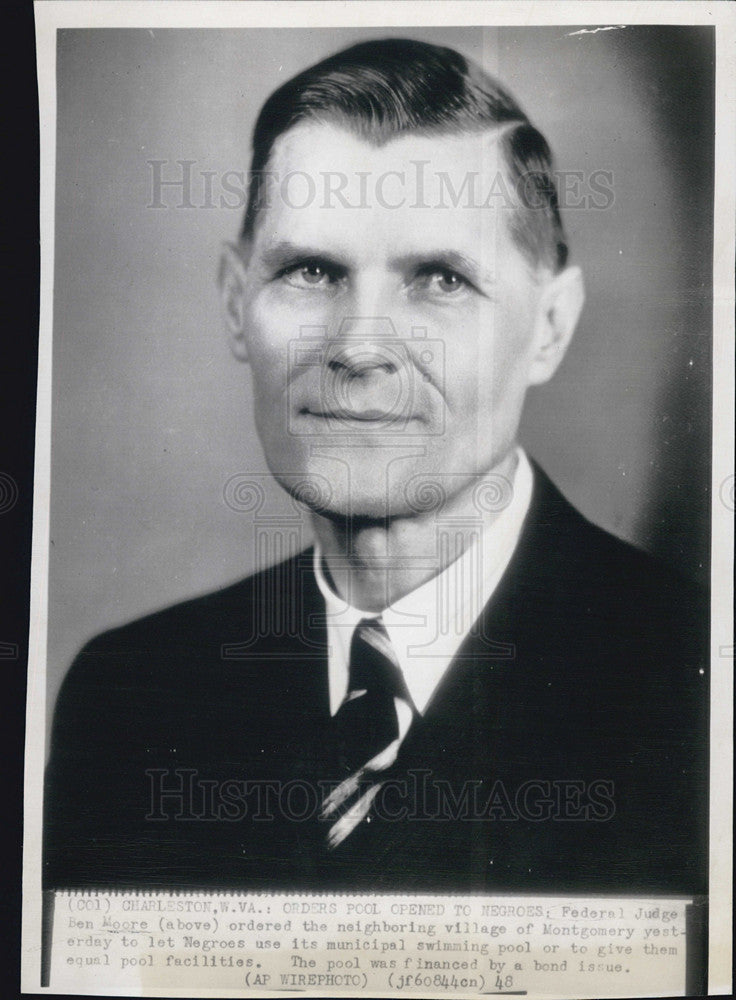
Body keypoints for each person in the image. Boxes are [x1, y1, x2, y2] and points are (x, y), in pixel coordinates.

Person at [44, 38, 708, 895]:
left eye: (438, 280)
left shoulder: (694, 684)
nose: (359, 346)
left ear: (549, 326)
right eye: (312, 270)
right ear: (235, 302)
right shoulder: (131, 699)